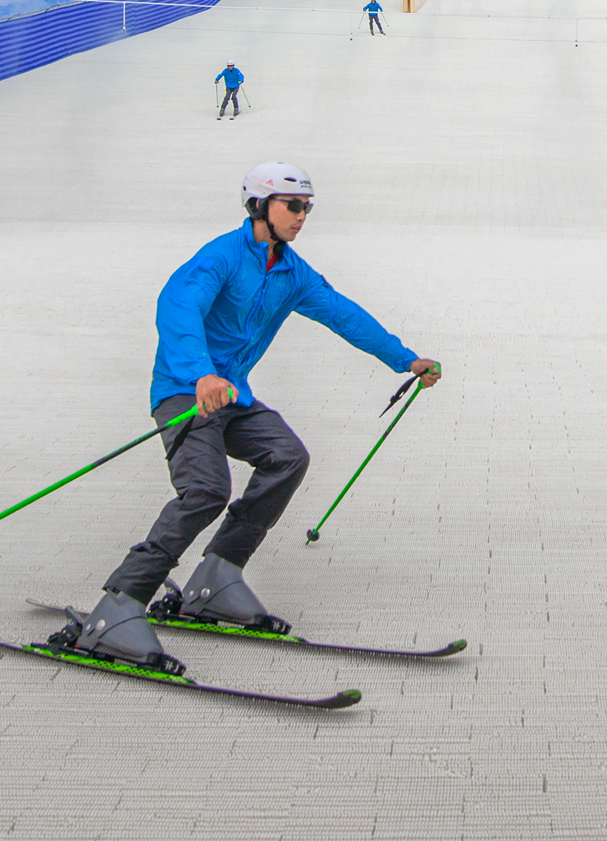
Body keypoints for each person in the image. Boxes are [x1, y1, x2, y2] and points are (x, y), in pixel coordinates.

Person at [65, 162, 441, 670]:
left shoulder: (291, 271)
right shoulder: (221, 257)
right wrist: (201, 374)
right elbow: (177, 305)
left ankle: (216, 577)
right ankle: (117, 608)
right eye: (293, 205)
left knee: (287, 457)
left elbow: (342, 312)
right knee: (205, 492)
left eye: (308, 206)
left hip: (233, 397)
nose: (302, 216)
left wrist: (406, 359)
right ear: (261, 205)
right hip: (186, 393)